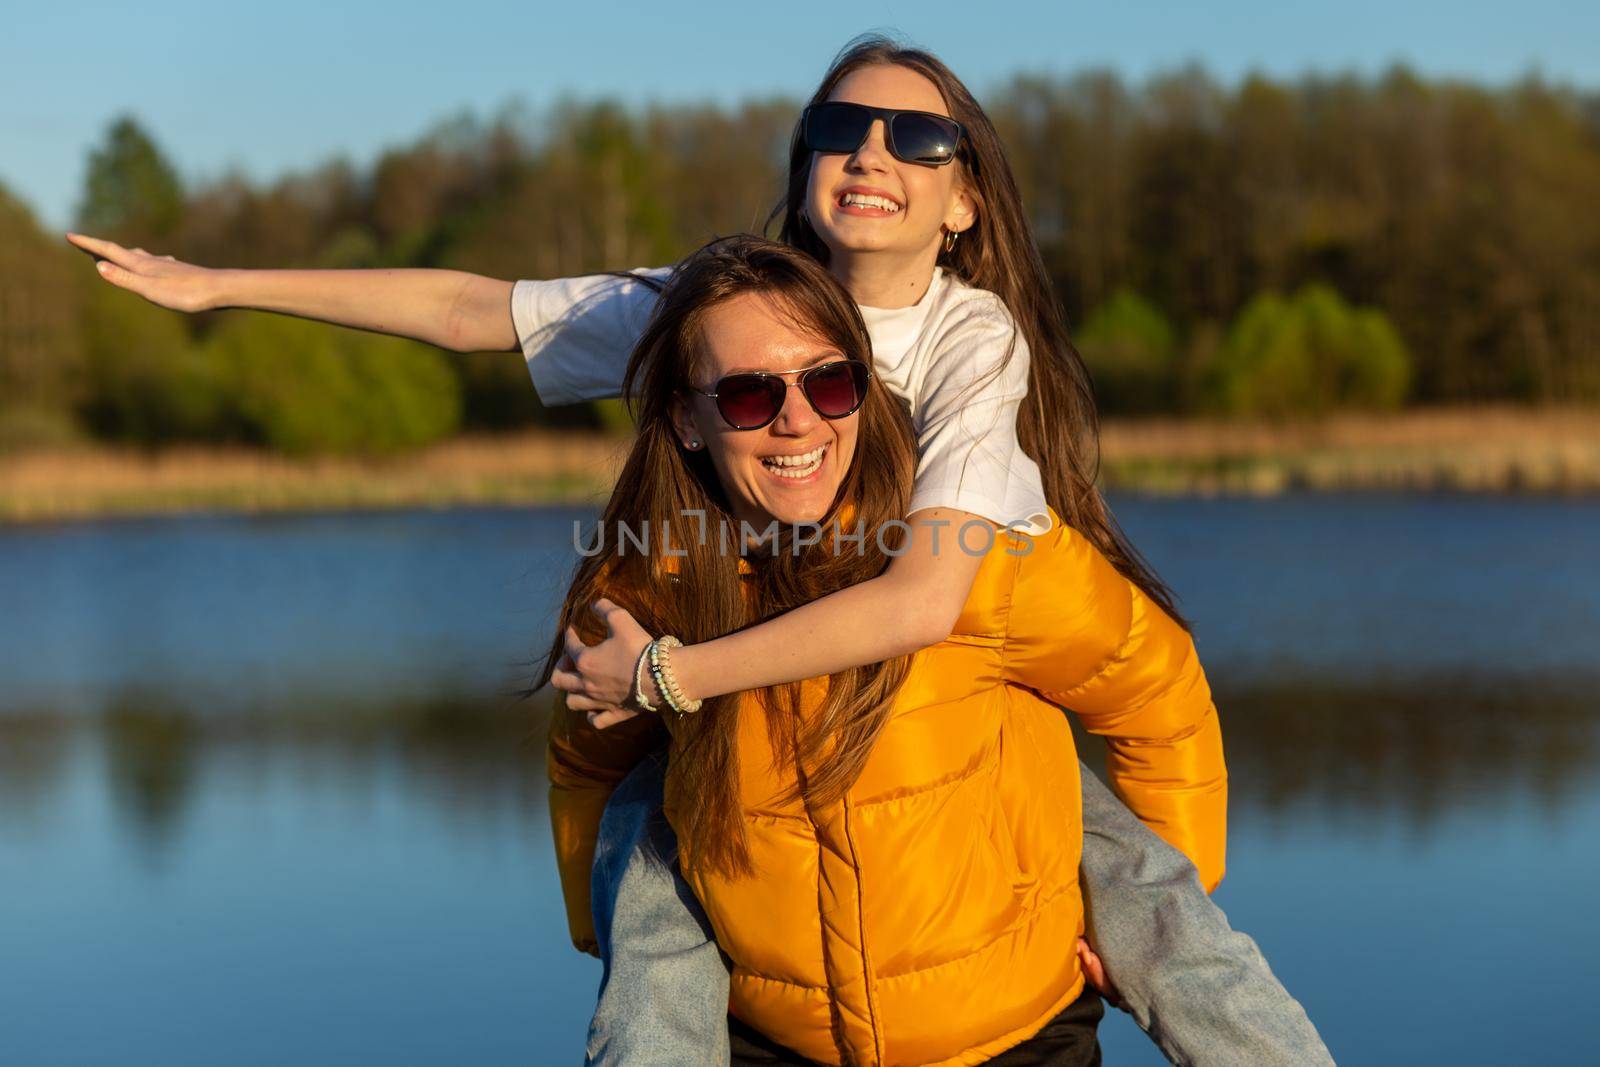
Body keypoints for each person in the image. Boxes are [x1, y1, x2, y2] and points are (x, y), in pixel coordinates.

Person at [68, 34, 1330, 1064]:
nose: (870, 151)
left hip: (963, 645)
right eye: (838, 129)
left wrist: (668, 673)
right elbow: (474, 310)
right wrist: (222, 284)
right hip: (756, 692)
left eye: (917, 136)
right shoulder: (720, 303)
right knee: (651, 829)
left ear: (964, 199)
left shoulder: (969, 336)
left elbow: (927, 595)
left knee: (1121, 862)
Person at [547, 233, 1231, 1064]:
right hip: (774, 1042)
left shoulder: (981, 556)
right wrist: (597, 926)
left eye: (830, 382)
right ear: (688, 420)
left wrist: (1143, 916)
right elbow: (594, 761)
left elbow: (1156, 689)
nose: (798, 419)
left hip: (1019, 1042)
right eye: (749, 396)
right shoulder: (651, 580)